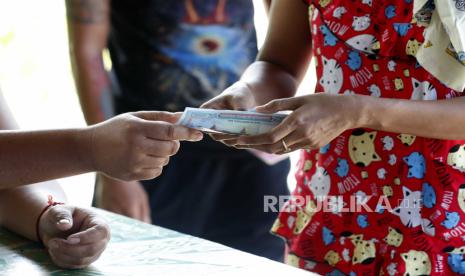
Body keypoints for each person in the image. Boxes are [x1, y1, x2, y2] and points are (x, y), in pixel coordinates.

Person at [203, 0, 465, 274]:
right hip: (333, 206)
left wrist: (359, 112)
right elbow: (278, 63)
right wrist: (249, 91)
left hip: (443, 217)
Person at [66, 0, 289, 260]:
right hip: (153, 148)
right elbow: (87, 54)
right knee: (148, 263)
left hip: (249, 145)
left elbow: (285, 47)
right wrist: (111, 172)